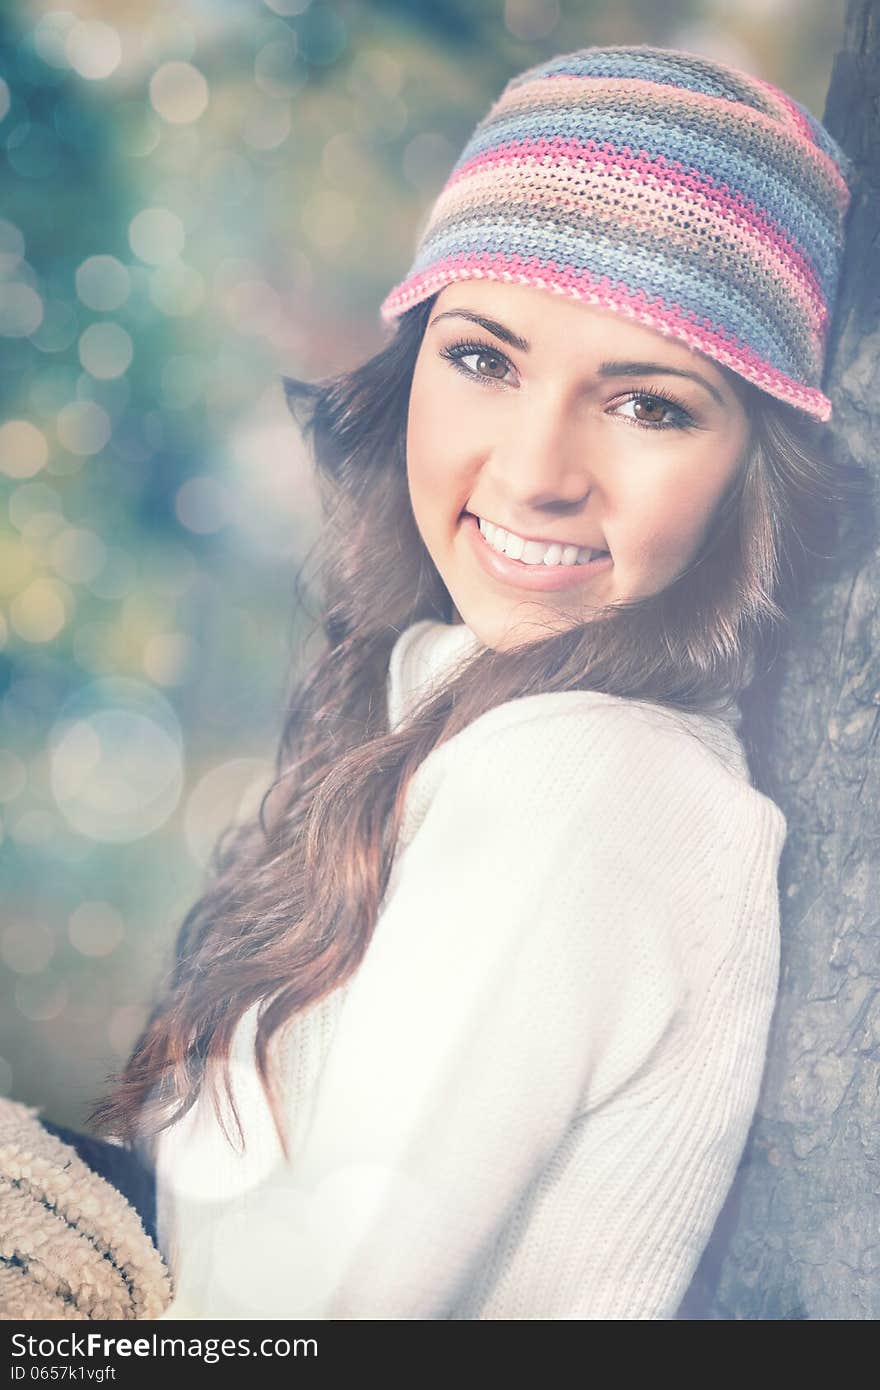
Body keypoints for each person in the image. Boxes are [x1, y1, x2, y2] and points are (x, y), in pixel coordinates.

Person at [84, 43, 858, 1320]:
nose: (533, 471)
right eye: (485, 359)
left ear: (752, 471)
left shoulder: (589, 784)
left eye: (650, 405)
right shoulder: (471, 726)